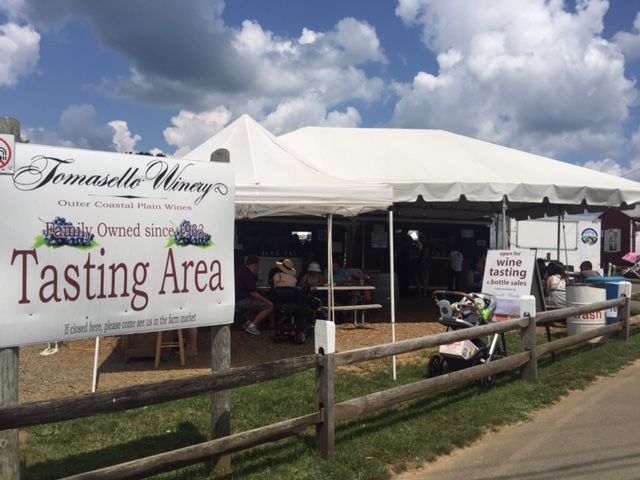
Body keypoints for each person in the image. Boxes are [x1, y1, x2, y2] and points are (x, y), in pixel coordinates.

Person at [235, 254, 273, 335]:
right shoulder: (247, 274)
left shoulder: (241, 270)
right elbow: (253, 293)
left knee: (258, 302)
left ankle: (249, 323)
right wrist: (267, 301)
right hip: (242, 300)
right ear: (255, 265)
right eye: (257, 265)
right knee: (269, 306)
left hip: (237, 299)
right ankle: (252, 326)